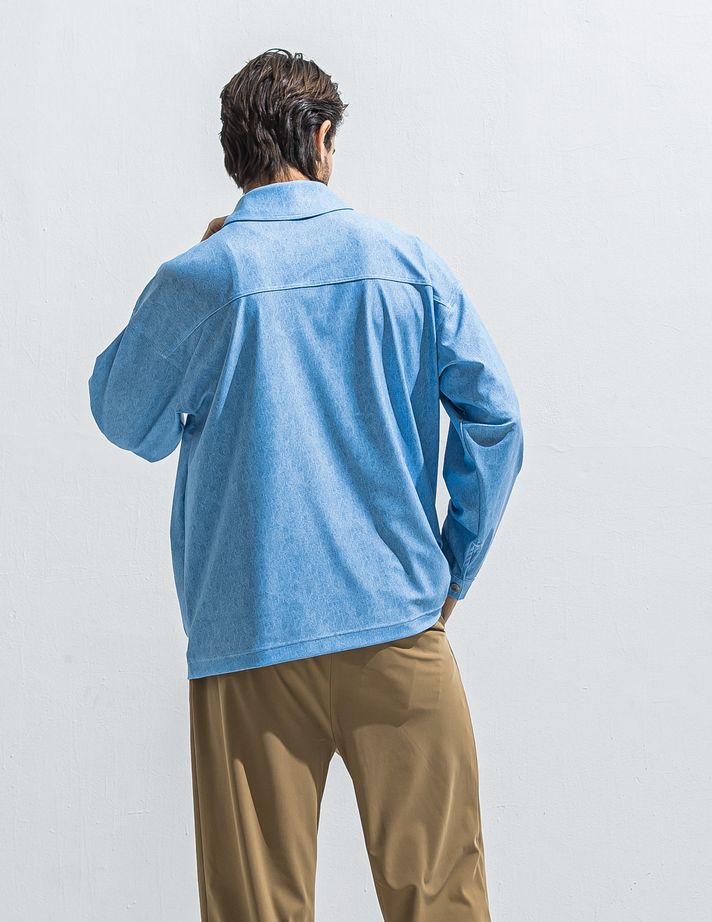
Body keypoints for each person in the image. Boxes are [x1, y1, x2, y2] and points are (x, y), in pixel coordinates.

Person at [88, 47, 524, 922]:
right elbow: (496, 420)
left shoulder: (205, 277)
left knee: (254, 911)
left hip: (250, 637)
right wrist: (452, 568)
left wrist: (196, 275)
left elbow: (124, 418)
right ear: (321, 140)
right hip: (399, 627)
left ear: (233, 154)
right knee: (442, 902)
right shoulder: (406, 263)